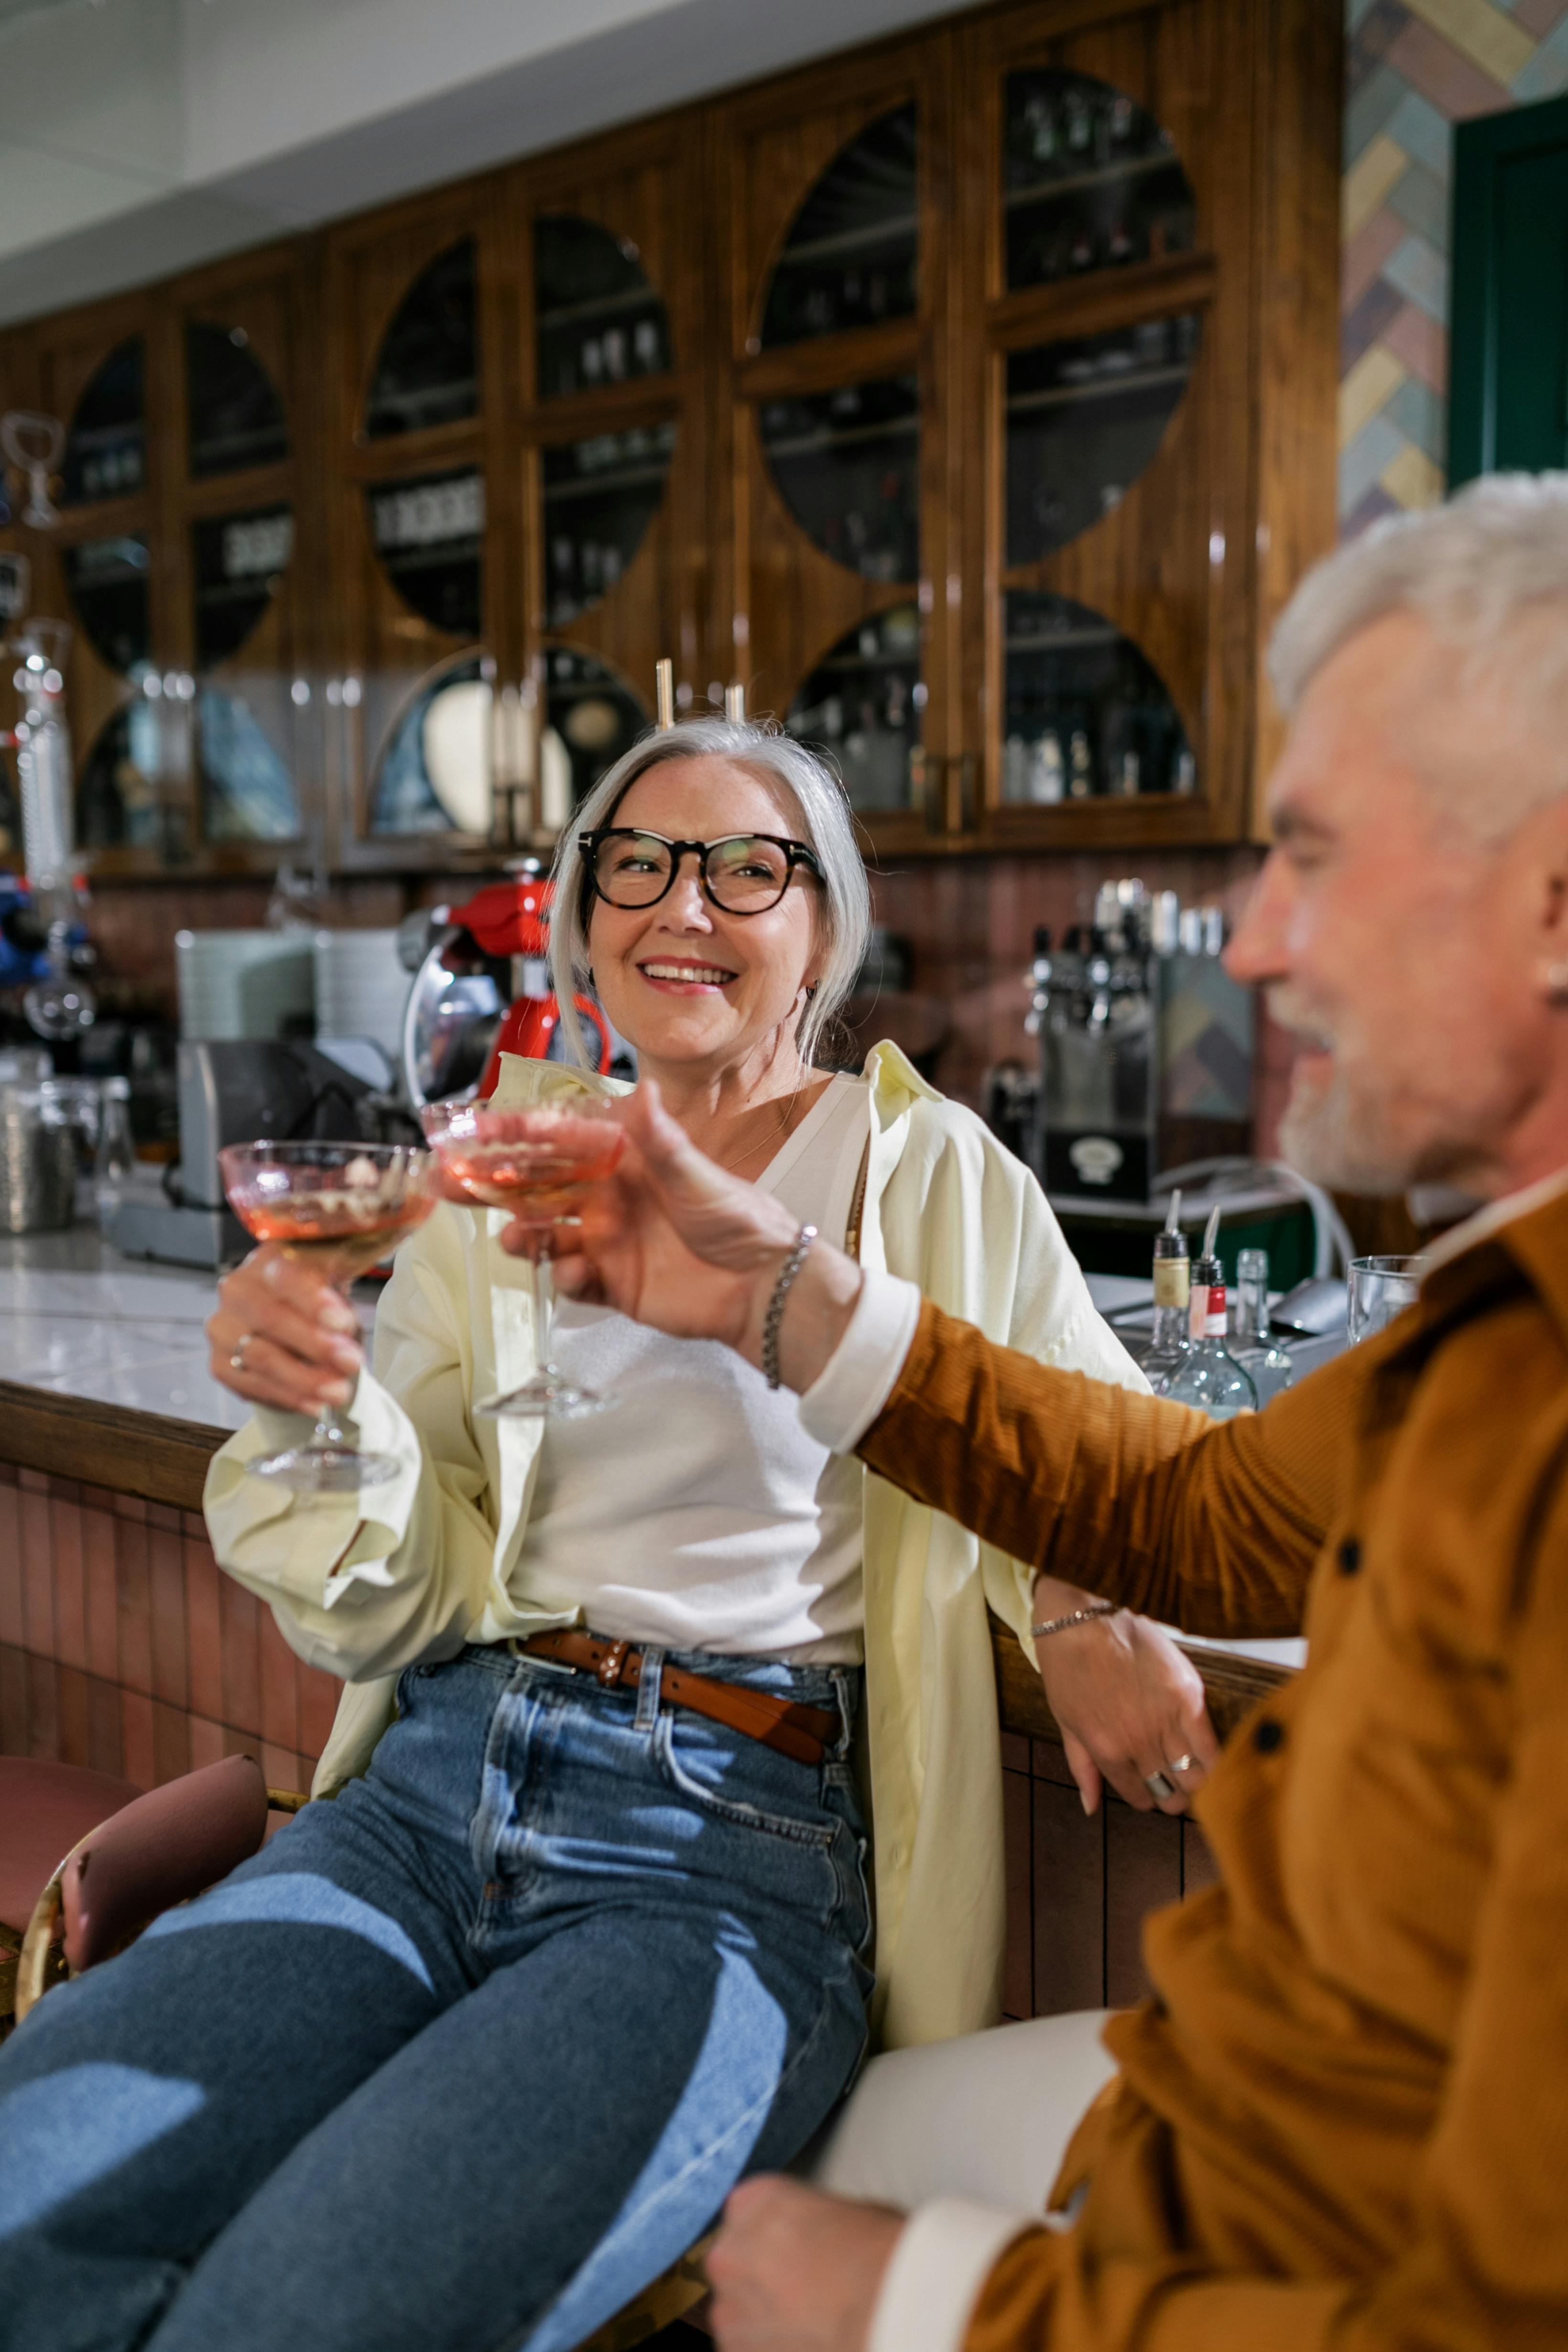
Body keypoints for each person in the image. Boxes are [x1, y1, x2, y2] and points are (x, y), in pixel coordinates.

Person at [0, 716, 1211, 2352]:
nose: (679, 905)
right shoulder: (504, 1172)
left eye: (743, 868)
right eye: (634, 863)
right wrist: (317, 1411)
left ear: (823, 934)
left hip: (723, 1862)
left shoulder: (929, 1172)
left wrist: (1071, 1599)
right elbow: (397, 1600)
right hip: (428, 1797)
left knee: (296, 2312)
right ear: (583, 919)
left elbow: (1119, 1458)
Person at [540, 474, 1568, 2352]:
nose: (1250, 944)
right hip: (1197, 2125)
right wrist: (785, 1293)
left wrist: (937, 2302)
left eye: (1315, 856)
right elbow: (1201, 1514)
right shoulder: (1491, 1332)